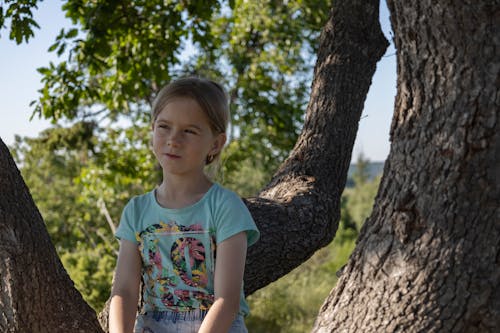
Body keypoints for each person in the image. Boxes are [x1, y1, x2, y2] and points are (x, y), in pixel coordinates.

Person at [109, 77, 260, 333]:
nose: (173, 140)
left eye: (189, 131)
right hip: (152, 325)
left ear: (215, 143)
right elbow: (123, 290)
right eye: (164, 126)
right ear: (152, 129)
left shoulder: (225, 207)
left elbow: (227, 301)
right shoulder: (136, 211)